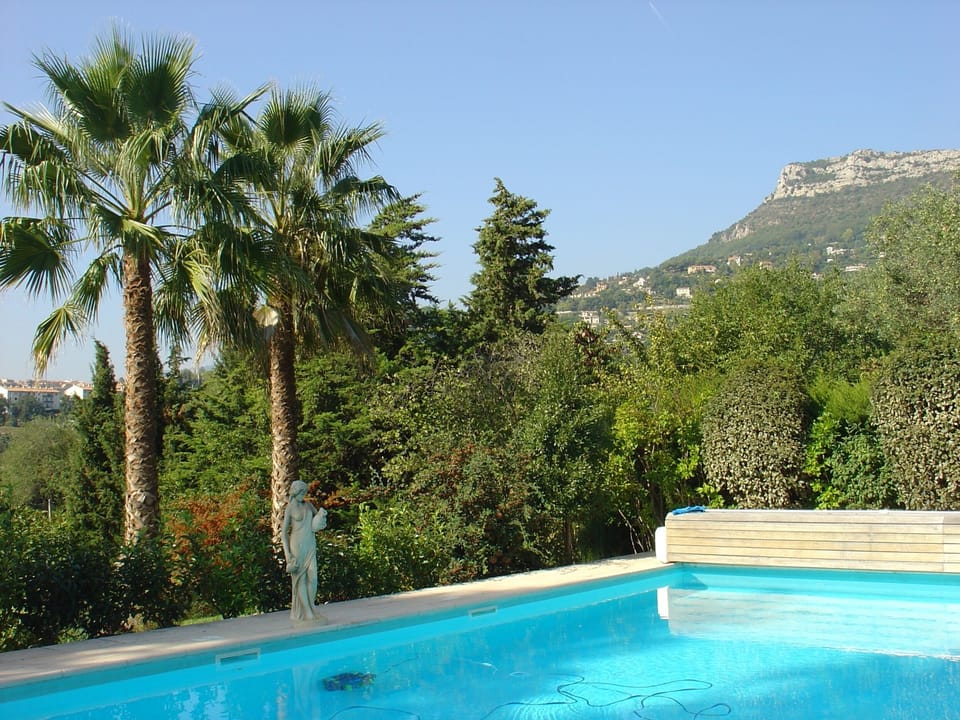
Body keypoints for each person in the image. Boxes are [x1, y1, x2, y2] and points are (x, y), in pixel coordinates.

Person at [281, 480, 328, 622]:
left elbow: (318, 520)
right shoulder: (290, 508)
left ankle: (311, 607)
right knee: (300, 579)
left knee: (313, 577)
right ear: (295, 492)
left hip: (310, 543)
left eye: (305, 492)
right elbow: (284, 533)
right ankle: (307, 612)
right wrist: (288, 555)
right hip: (297, 545)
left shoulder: (308, 505)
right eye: (301, 492)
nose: (303, 495)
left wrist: (322, 516)